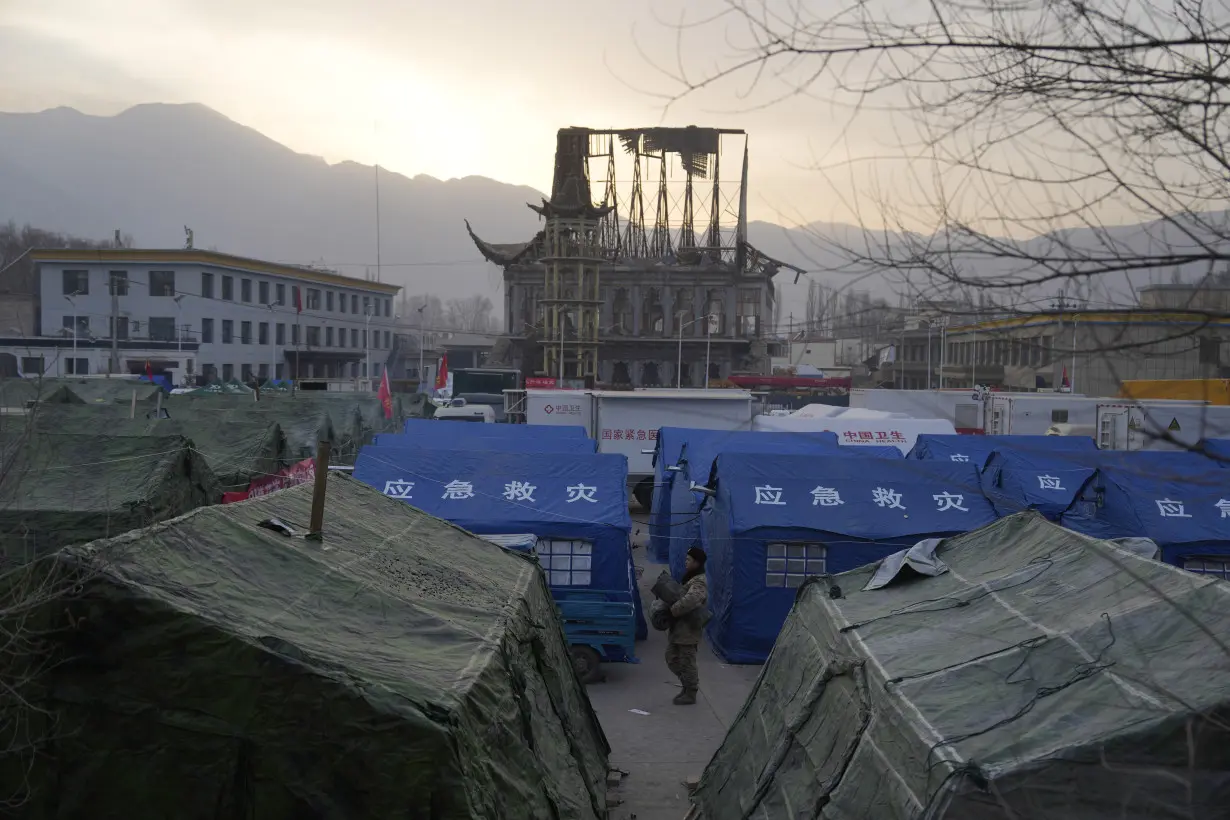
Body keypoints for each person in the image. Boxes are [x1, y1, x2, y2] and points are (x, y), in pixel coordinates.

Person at [665, 547, 709, 705]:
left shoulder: (699, 581)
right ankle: (687, 685)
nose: (685, 562)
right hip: (680, 628)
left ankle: (691, 692)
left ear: (697, 563)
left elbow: (693, 599)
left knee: (686, 661)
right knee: (671, 658)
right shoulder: (690, 577)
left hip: (688, 629)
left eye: (688, 560)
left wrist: (674, 609)